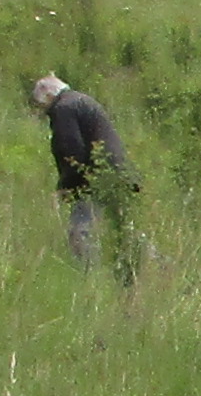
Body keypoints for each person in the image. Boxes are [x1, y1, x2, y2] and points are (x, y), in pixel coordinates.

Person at [28, 73, 135, 270]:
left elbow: (71, 151)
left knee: (80, 233)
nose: (42, 112)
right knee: (123, 231)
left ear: (48, 95)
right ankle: (159, 267)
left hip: (93, 180)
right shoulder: (81, 101)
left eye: (40, 105)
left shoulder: (63, 109)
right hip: (117, 174)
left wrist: (67, 186)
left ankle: (90, 277)